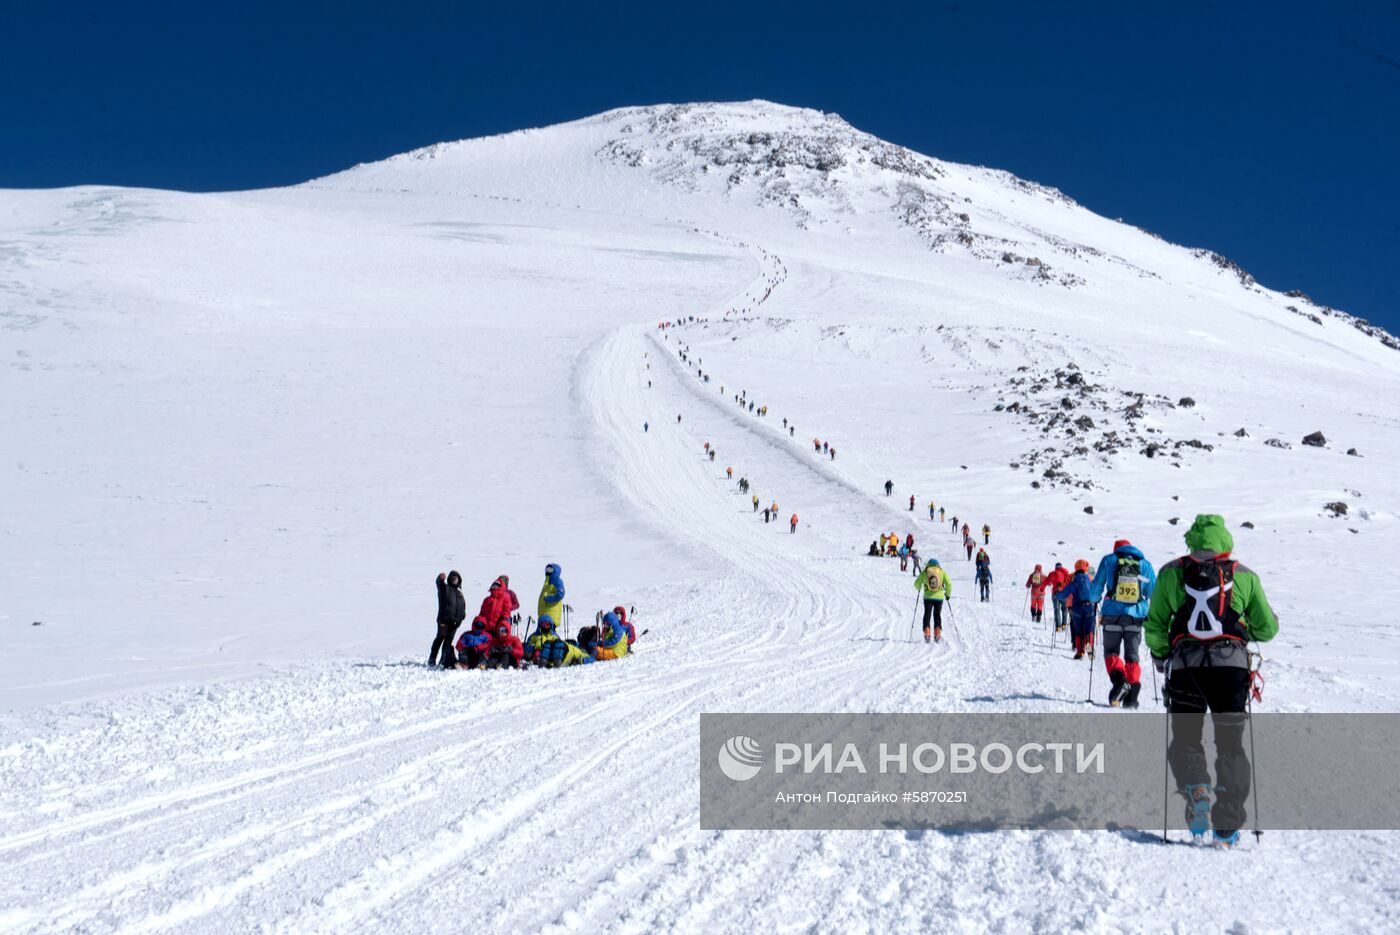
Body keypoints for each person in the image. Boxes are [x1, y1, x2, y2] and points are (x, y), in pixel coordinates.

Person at [1147, 515, 1277, 848]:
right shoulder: (1244, 575)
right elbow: (1267, 630)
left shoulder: (1171, 572)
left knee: (1186, 739)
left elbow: (1157, 623)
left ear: (1192, 540)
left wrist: (1162, 657)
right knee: (1231, 746)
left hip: (1187, 667)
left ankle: (1197, 791)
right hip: (1231, 669)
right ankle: (1227, 827)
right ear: (1225, 541)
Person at [1089, 539, 1157, 707]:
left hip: (1112, 615)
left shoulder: (1109, 560)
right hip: (1136, 616)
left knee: (1111, 652)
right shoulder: (1144, 565)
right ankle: (1132, 697)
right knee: (1132, 656)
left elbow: (1096, 588)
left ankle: (1120, 682)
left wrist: (1095, 599)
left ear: (1115, 549)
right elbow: (1153, 592)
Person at [1056, 560, 1097, 658]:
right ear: (1085, 568)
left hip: (1077, 609)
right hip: (1089, 607)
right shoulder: (1090, 579)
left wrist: (1056, 593)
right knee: (1089, 629)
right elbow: (1097, 590)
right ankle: (1089, 644)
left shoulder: (1073, 582)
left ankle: (1080, 652)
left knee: (1078, 631)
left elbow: (1063, 595)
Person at [524, 615, 592, 667]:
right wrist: (532, 648)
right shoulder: (534, 636)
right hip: (539, 657)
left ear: (550, 626)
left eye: (547, 625)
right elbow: (527, 649)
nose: (545, 627)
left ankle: (556, 662)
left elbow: (560, 646)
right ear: (539, 625)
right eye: (543, 624)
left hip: (552, 656)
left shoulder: (554, 636)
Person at [431, 571, 466, 667]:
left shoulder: (460, 593)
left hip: (454, 623)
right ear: (450, 579)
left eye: (456, 577)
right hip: (444, 620)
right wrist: (440, 579)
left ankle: (443, 660)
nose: (455, 579)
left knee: (448, 642)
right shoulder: (445, 589)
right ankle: (432, 659)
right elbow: (439, 584)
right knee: (440, 637)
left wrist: (462, 616)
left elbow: (462, 606)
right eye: (453, 577)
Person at [914, 559, 951, 642]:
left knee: (927, 613)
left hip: (928, 598)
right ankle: (937, 632)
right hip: (939, 598)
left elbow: (916, 584)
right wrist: (947, 595)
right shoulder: (942, 572)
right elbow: (949, 583)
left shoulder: (925, 572)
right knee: (937, 614)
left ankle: (927, 631)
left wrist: (919, 587)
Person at [537, 564, 566, 631]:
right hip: (544, 613)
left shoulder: (557, 581)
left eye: (550, 570)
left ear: (555, 571)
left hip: (551, 615)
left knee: (549, 634)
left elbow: (560, 594)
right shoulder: (547, 583)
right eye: (547, 570)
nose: (548, 572)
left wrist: (549, 599)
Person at [1044, 562, 1071, 631]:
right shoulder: (1066, 574)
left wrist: (1042, 588)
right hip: (1064, 593)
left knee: (1057, 609)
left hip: (1055, 593)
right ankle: (1064, 625)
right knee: (1064, 609)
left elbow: (1047, 581)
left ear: (1055, 567)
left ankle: (1058, 626)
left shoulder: (1053, 573)